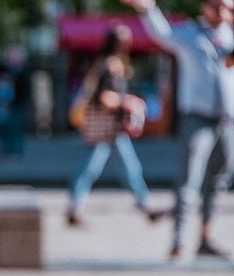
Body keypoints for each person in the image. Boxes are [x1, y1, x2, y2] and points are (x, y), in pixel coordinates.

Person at [122, 0, 234, 259]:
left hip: (226, 121)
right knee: (189, 180)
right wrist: (148, 9)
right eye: (216, 5)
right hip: (197, 117)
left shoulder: (229, 37)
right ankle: (180, 239)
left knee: (218, 181)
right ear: (204, 7)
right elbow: (162, 33)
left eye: (227, 6)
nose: (222, 11)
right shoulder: (190, 34)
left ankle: (206, 237)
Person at [66, 24, 159, 227]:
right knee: (116, 168)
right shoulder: (111, 66)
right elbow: (103, 97)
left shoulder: (102, 64)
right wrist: (127, 101)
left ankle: (146, 205)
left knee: (107, 168)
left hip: (105, 128)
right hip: (107, 128)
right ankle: (146, 206)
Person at [0, 47, 30, 160]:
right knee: (4, 129)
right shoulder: (5, 71)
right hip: (4, 105)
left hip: (16, 105)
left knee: (15, 129)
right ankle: (5, 150)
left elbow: (25, 90)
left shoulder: (22, 72)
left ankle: (15, 151)